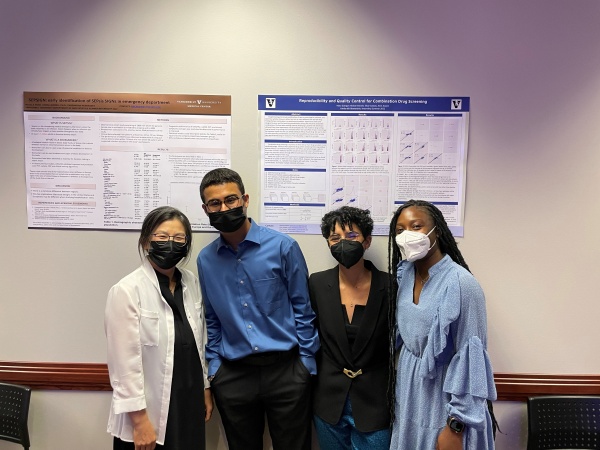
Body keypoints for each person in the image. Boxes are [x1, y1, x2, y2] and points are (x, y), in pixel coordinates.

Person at [196, 168, 319, 450]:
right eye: (215, 204)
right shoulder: (206, 260)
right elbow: (212, 318)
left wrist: (305, 365)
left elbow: (303, 308)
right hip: (233, 375)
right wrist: (215, 368)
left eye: (230, 200)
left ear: (245, 199)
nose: (224, 208)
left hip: (287, 371)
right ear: (205, 209)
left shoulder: (283, 247)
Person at [388, 200, 497, 450]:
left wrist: (456, 426)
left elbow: (472, 362)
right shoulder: (404, 275)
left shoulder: (461, 285)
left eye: (416, 227)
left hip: (444, 398)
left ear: (436, 230)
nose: (407, 236)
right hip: (410, 393)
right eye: (400, 230)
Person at [105, 206, 212, 450]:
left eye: (179, 238)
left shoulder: (191, 282)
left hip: (189, 398)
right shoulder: (127, 290)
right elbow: (123, 365)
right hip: (149, 409)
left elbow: (199, 340)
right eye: (162, 237)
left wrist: (205, 388)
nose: (171, 244)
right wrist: (140, 420)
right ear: (145, 242)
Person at [309, 206, 391, 450]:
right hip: (328, 401)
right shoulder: (317, 282)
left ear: (366, 241)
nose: (343, 243)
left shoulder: (390, 286)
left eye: (352, 236)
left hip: (375, 401)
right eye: (335, 238)